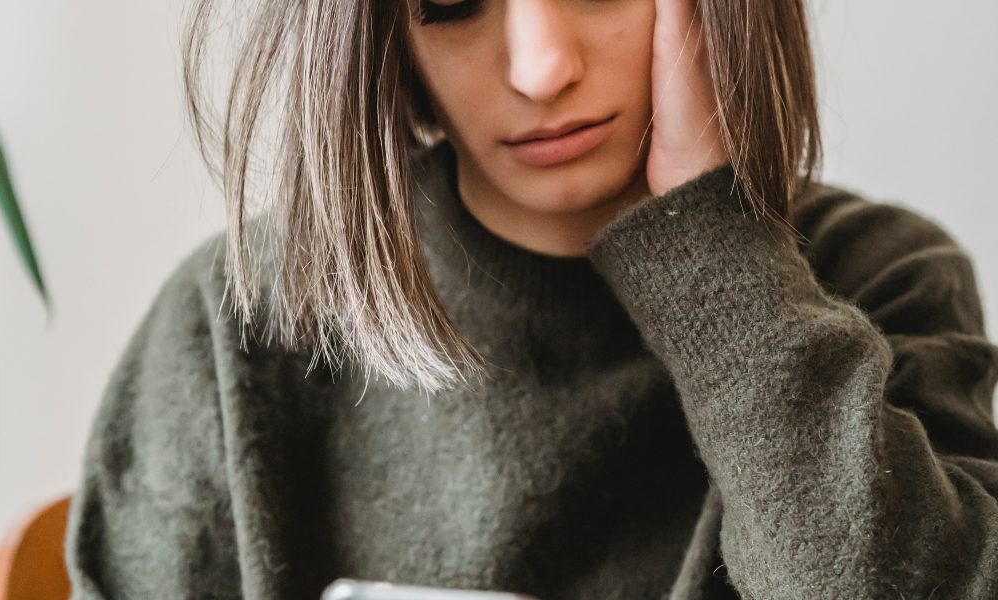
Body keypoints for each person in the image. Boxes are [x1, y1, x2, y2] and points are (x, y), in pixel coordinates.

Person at [64, 0, 998, 598]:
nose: (541, 66)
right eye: (453, 3)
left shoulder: (886, 276)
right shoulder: (237, 322)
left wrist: (715, 253)